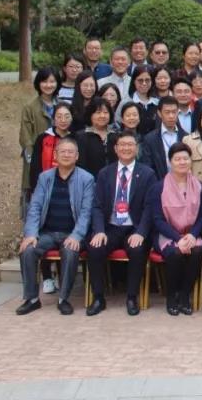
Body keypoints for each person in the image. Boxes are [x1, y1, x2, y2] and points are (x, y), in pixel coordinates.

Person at [16, 137, 94, 316]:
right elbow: (35, 207)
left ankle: (63, 299)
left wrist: (76, 235)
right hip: (48, 233)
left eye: (70, 152)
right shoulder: (45, 178)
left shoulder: (86, 179)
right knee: (27, 250)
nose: (66, 155)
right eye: (62, 151)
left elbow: (86, 212)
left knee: (70, 251)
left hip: (72, 233)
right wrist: (31, 234)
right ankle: (32, 299)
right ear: (55, 155)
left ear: (77, 156)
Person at [85, 133, 154, 316]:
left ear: (137, 149)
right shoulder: (105, 173)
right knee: (95, 248)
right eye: (122, 145)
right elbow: (97, 206)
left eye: (130, 144)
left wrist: (141, 232)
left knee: (138, 250)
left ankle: (132, 297)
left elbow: (150, 207)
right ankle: (98, 298)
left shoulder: (147, 174)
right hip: (111, 227)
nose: (126, 148)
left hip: (134, 227)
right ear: (115, 149)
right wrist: (99, 230)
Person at [149, 142, 202, 316]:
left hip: (191, 233)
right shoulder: (159, 187)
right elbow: (158, 220)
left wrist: (193, 235)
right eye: (177, 159)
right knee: (175, 253)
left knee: (197, 251)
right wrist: (178, 238)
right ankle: (171, 296)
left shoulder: (199, 186)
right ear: (170, 162)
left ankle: (184, 295)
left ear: (190, 161)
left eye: (185, 158)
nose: (182, 162)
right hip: (167, 234)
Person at [20, 67, 59, 215]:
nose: (48, 85)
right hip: (38, 157)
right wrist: (32, 155)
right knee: (34, 189)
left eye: (52, 81)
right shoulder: (30, 108)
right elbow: (25, 135)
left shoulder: (61, 105)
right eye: (44, 81)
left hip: (59, 156)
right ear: (38, 83)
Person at [29, 103, 76, 205]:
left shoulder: (77, 138)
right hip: (46, 186)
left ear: (72, 118)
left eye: (67, 116)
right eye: (59, 116)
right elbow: (35, 166)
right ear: (54, 119)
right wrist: (35, 188)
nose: (63, 120)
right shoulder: (43, 138)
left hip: (70, 188)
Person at [139, 96, 187, 179]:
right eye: (167, 112)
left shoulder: (186, 137)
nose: (171, 116)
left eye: (174, 112)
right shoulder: (150, 139)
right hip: (159, 183)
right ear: (159, 113)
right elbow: (148, 167)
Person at [75, 97, 117, 176]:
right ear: (90, 114)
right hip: (89, 180)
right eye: (98, 112)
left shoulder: (116, 136)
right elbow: (80, 164)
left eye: (105, 112)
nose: (102, 116)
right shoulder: (81, 137)